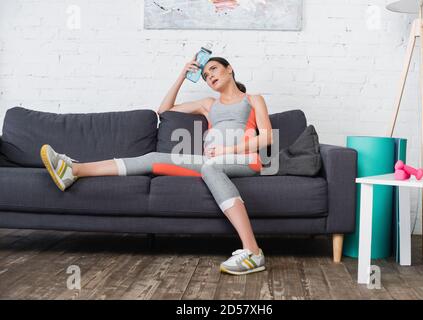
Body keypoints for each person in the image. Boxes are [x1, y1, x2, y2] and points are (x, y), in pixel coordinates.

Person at [40, 55, 273, 275]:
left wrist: (225, 151)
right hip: (211, 160)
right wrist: (182, 74)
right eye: (205, 75)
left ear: (229, 69)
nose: (210, 76)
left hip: (245, 159)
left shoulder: (253, 99)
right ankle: (74, 170)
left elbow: (267, 138)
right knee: (153, 158)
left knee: (210, 167)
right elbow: (164, 110)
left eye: (213, 69)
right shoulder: (208, 104)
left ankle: (252, 251)